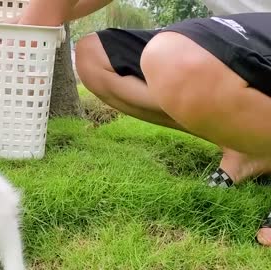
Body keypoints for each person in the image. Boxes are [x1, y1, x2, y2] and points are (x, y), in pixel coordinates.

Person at [15, 0, 271, 245]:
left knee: (172, 56)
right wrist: (31, 21)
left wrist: (27, 30)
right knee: (94, 56)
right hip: (235, 30)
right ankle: (248, 148)